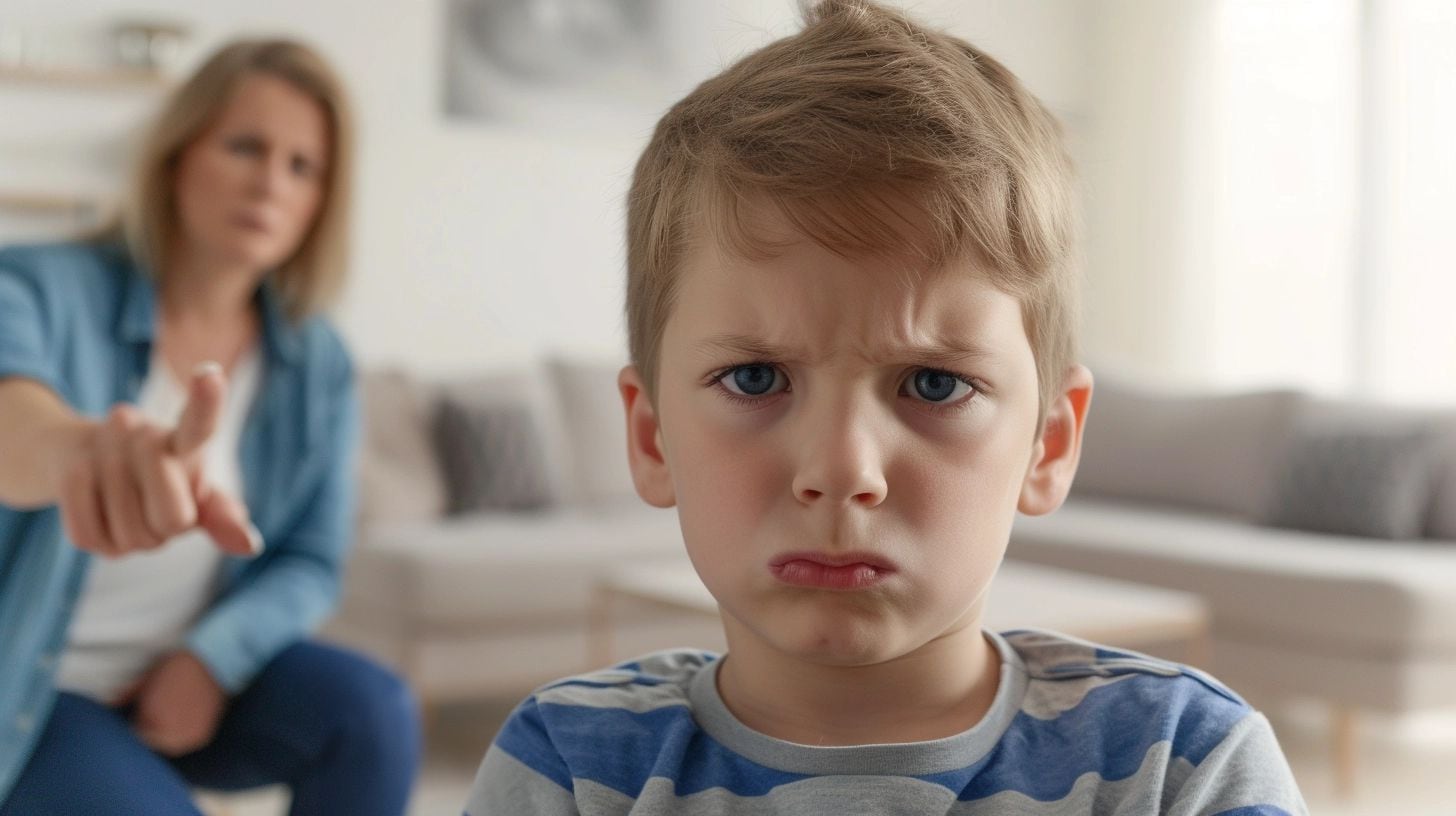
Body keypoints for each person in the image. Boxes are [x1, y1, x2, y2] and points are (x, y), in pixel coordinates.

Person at [463, 1, 1308, 814]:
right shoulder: (566, 767)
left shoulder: (1182, 764)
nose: (840, 471)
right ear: (651, 436)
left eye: (933, 384)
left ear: (1048, 444)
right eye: (756, 379)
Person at [0, 38, 419, 815]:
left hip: (186, 676)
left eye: (303, 167)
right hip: (38, 687)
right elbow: (14, 426)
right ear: (175, 156)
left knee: (374, 714)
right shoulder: (28, 284)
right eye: (245, 146)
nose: (270, 182)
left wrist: (211, 657)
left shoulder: (317, 359)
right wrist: (80, 453)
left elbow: (310, 559)